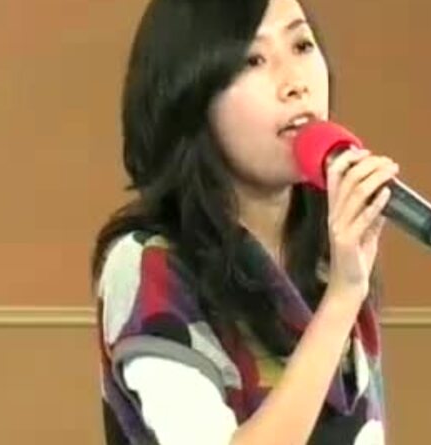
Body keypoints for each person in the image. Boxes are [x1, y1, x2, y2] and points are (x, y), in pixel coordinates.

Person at [91, 0, 398, 444]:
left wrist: (345, 287)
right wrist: (341, 301)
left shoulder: (330, 253)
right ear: (192, 94)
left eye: (302, 45)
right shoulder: (148, 266)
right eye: (253, 60)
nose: (295, 83)